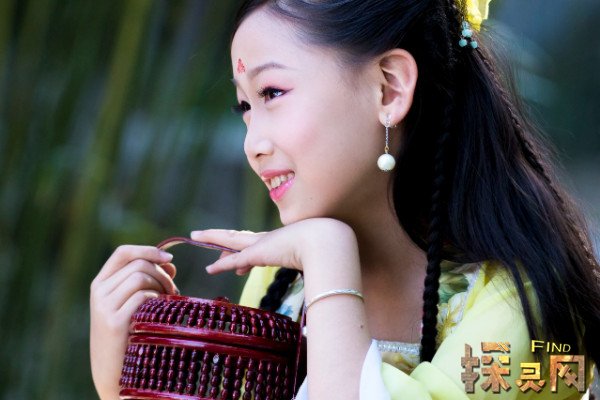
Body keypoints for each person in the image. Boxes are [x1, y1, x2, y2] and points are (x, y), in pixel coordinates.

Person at [90, 0, 600, 398]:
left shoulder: (527, 301)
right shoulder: (283, 278)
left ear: (388, 89)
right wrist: (123, 381)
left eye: (272, 93)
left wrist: (329, 255)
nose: (252, 143)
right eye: (244, 106)